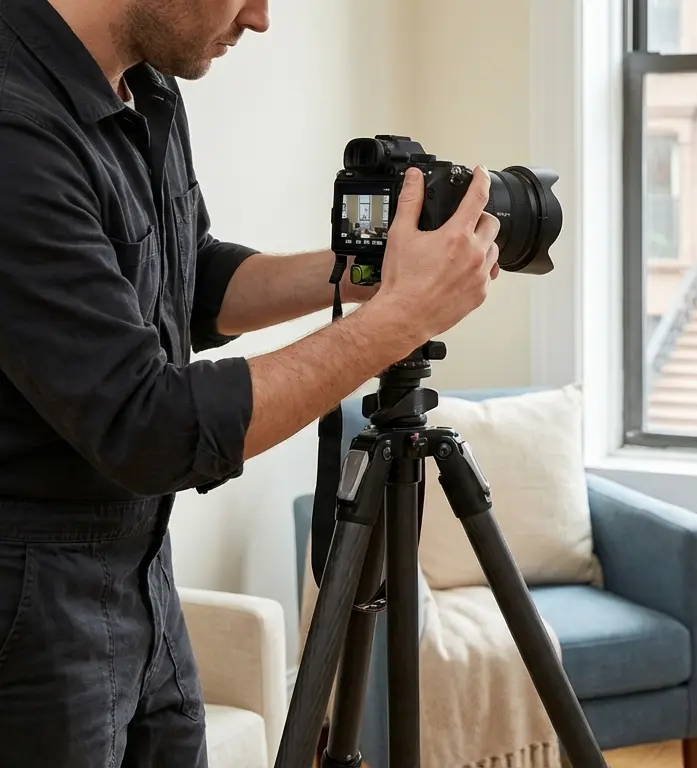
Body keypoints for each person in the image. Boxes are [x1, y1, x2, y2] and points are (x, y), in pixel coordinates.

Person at [0, 0, 503, 764]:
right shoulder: (16, 130)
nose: (261, 18)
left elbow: (190, 282)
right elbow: (150, 429)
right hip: (30, 612)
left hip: (143, 580)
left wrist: (370, 275)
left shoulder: (148, 88)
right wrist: (395, 322)